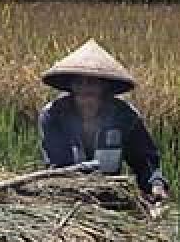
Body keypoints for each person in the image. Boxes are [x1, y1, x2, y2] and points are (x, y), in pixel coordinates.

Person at [38, 39, 169, 202]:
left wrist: (156, 185)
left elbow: (145, 162)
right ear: (71, 85)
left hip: (111, 196)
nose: (85, 88)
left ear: (104, 86)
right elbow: (58, 166)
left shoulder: (125, 116)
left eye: (92, 82)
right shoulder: (54, 115)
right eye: (79, 82)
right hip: (68, 194)